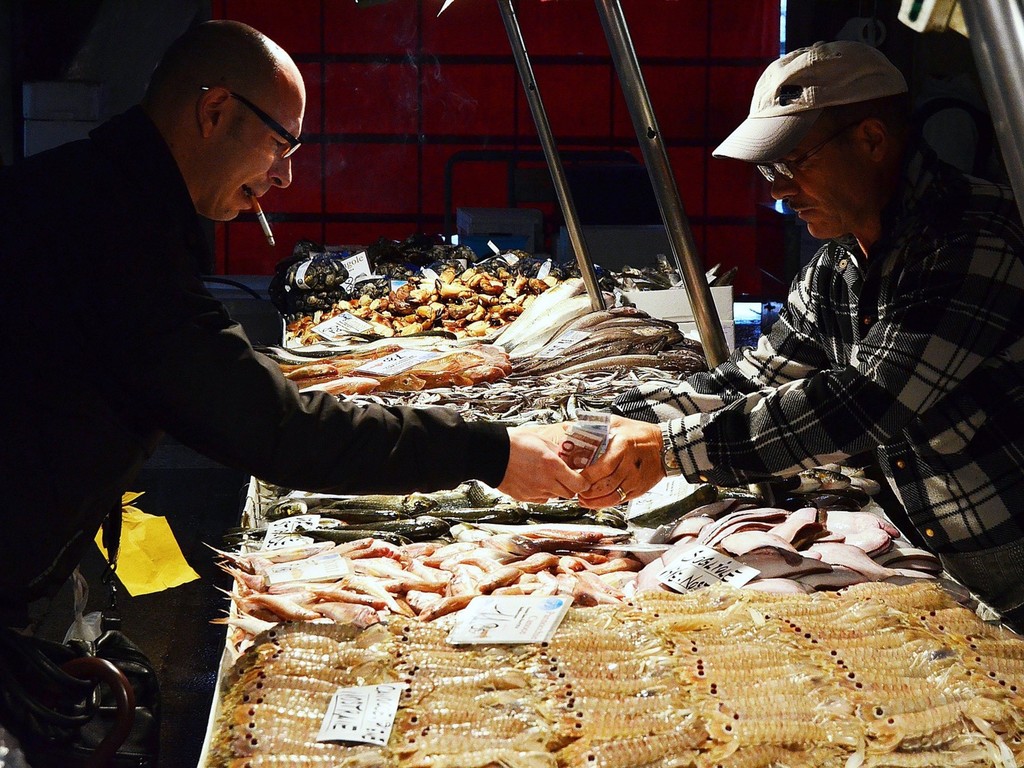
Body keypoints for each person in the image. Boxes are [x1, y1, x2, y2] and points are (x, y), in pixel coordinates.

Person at [0, 20, 586, 630]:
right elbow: (271, 427)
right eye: (281, 144)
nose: (284, 177)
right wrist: (488, 450)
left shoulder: (96, 192)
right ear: (215, 111)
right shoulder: (111, 234)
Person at [572, 40, 1024, 626]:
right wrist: (598, 423)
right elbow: (755, 379)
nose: (778, 190)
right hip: (944, 565)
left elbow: (864, 404)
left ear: (872, 139)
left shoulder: (975, 240)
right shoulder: (836, 264)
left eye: (793, 162)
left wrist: (667, 449)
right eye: (769, 169)